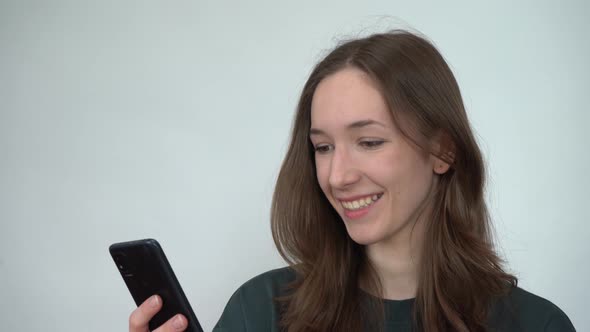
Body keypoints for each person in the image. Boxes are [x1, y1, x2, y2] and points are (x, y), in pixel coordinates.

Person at [128, 30, 576, 332]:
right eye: (323, 147)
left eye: (369, 141)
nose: (338, 176)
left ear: (443, 150)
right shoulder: (261, 310)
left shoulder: (536, 323)